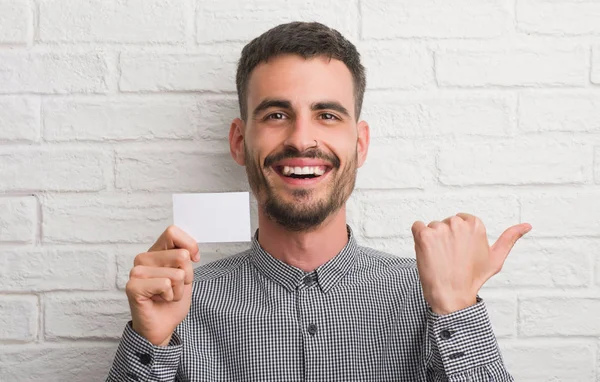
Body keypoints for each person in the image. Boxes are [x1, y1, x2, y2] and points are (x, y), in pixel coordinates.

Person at [106, 21, 531, 381]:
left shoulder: (434, 296)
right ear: (239, 141)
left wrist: (457, 312)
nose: (301, 139)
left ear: (360, 144)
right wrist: (150, 342)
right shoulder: (181, 305)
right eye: (276, 115)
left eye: (327, 115)